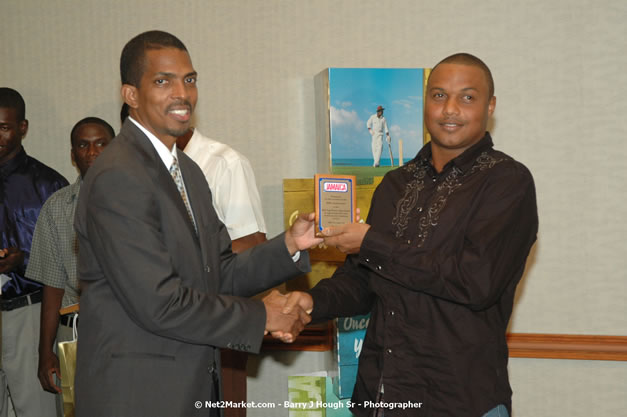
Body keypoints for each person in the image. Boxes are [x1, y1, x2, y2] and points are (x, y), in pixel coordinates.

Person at [73, 30, 320, 417]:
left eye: (189, 80)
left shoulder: (185, 170)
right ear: (131, 95)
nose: (182, 93)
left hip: (189, 386)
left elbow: (217, 271)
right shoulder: (118, 175)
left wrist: (288, 245)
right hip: (137, 396)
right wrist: (263, 316)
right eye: (162, 81)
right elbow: (160, 302)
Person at [283, 53, 538, 417]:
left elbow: (476, 282)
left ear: (490, 105)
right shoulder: (396, 183)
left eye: (467, 97)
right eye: (438, 96)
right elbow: (362, 280)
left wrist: (372, 243)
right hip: (381, 394)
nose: (450, 109)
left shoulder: (506, 181)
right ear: (425, 102)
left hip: (458, 399)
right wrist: (312, 303)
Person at [177, 127, 267, 417]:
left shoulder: (224, 162)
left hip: (219, 318)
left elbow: (252, 244)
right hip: (164, 327)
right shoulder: (140, 172)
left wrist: (186, 267)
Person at [25, 118, 114, 409]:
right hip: (73, 328)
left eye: (101, 143)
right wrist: (45, 352)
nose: (92, 152)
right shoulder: (57, 207)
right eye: (83, 145)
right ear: (73, 154)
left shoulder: (139, 200)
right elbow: (52, 287)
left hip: (125, 328)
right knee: (75, 408)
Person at [0, 87, 68, 417]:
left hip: (27, 313)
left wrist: (23, 260)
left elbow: (69, 259)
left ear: (22, 127)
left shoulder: (49, 185)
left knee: (36, 411)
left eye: (4, 127)